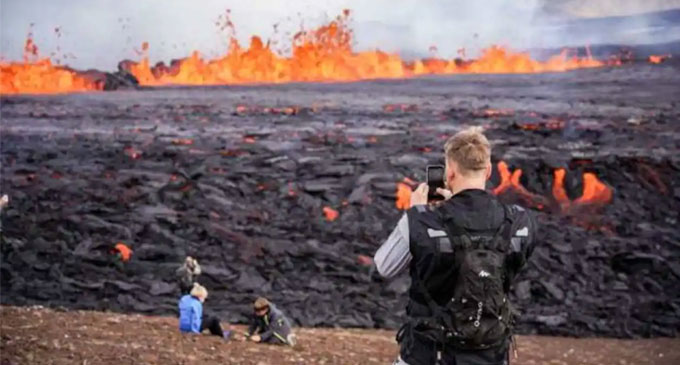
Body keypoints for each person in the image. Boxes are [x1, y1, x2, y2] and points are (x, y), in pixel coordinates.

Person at [375, 127, 537, 365]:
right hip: (491, 354)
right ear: (488, 170)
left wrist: (414, 214)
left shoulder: (422, 220)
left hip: (429, 355)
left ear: (449, 173)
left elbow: (384, 266)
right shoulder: (519, 221)